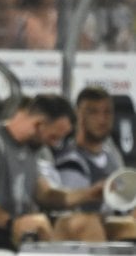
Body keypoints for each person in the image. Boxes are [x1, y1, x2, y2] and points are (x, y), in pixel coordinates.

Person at [0, 94, 104, 250]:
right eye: (53, 137)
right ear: (39, 124)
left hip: (25, 229)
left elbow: (45, 194)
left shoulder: (33, 148)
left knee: (85, 223)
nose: (55, 144)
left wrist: (88, 194)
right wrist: (12, 223)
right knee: (40, 224)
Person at [56, 86, 136, 240]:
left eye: (107, 112)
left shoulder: (112, 155)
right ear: (78, 115)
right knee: (89, 223)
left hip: (107, 223)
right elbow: (72, 210)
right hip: (76, 230)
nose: (102, 119)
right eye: (93, 112)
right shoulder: (69, 159)